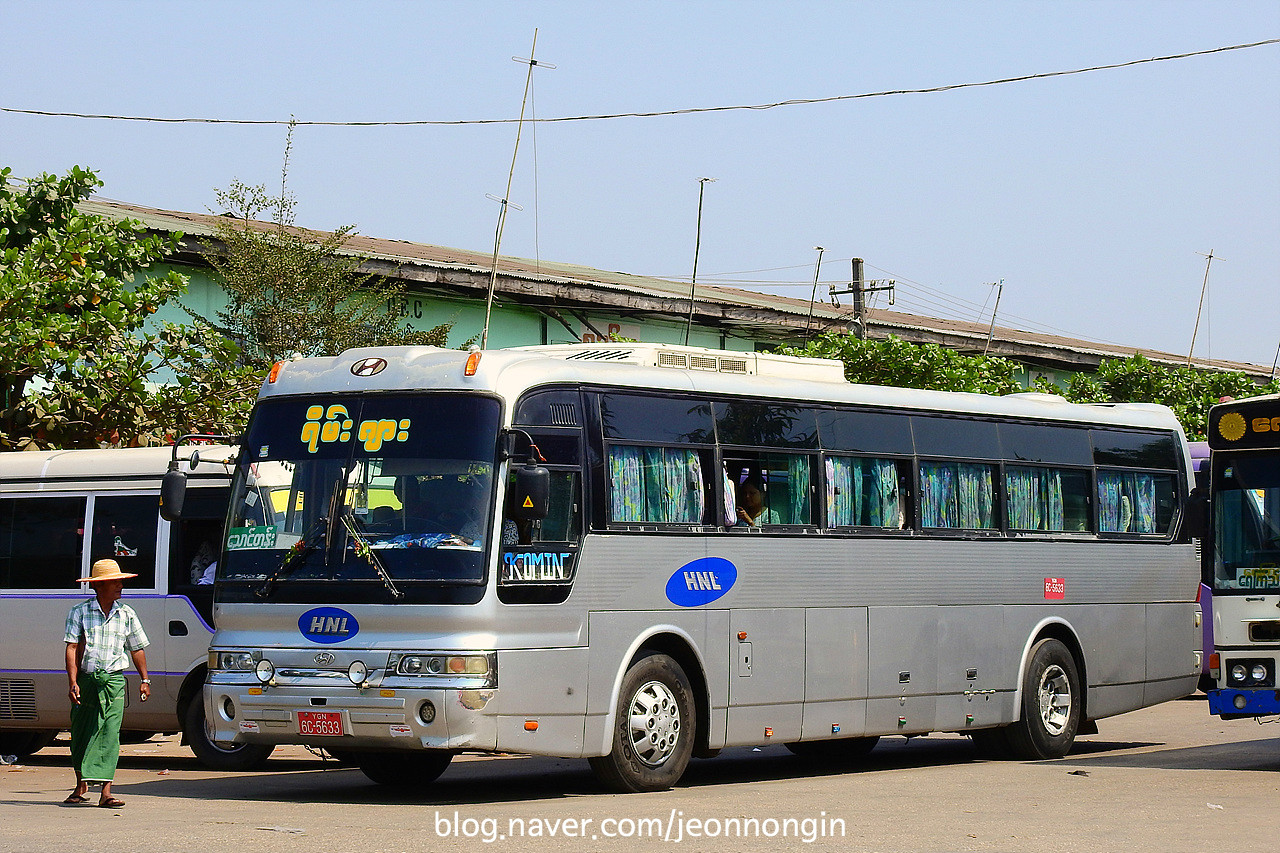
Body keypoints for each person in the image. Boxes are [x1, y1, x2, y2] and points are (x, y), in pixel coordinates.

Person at [62, 559, 150, 808]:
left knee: (110, 734)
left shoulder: (127, 614)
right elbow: (72, 647)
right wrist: (72, 682)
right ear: (100, 586)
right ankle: (80, 786)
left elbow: (137, 648)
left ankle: (106, 793)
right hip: (87, 680)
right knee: (82, 733)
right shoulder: (79, 612)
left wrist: (145, 679)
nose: (120, 585)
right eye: (115, 581)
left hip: (113, 682)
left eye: (121, 581)